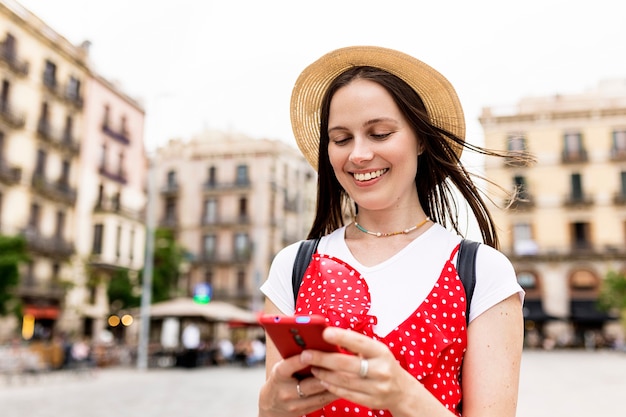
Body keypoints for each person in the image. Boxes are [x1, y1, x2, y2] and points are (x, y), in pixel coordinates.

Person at [258, 46, 525, 417]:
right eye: (341, 139)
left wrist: (402, 396)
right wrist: (269, 410)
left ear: (419, 139)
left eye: (380, 133)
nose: (359, 154)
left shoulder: (481, 272)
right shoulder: (293, 267)